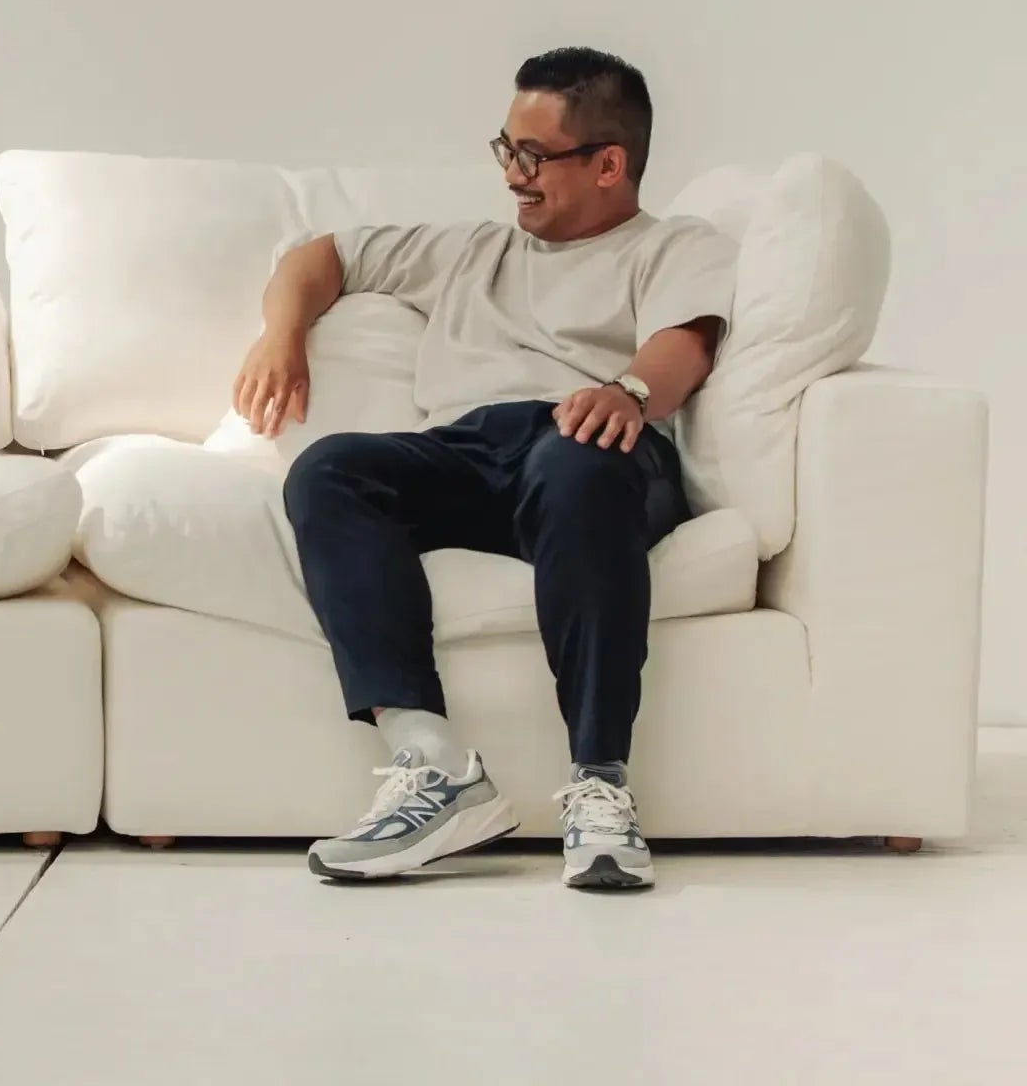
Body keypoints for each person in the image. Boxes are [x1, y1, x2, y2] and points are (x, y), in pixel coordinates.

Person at [234, 48, 736, 890]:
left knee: (582, 458)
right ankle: (433, 770)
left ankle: (600, 787)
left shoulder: (674, 246)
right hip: (467, 452)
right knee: (330, 470)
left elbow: (684, 341)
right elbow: (315, 257)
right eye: (505, 148)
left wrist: (630, 391)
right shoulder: (468, 252)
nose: (512, 175)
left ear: (610, 164)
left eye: (532, 155)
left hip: (592, 443)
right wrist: (279, 334)